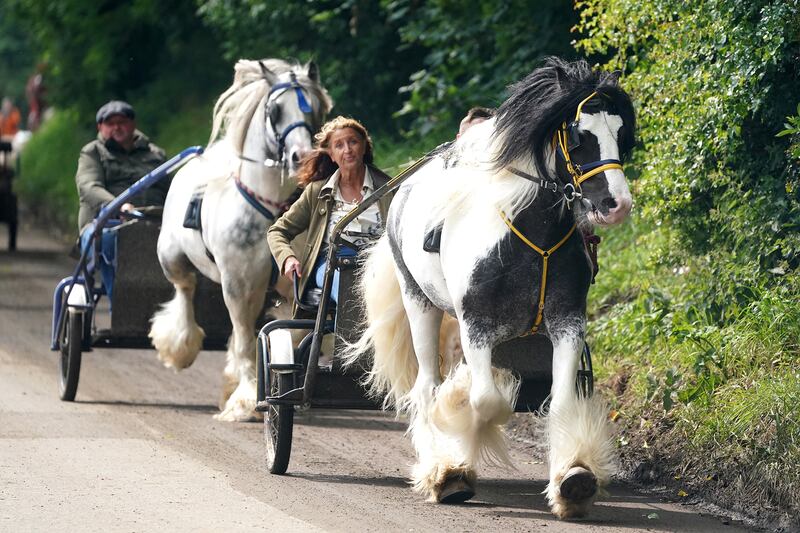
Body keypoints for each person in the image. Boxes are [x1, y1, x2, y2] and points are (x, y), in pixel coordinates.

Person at [267, 116, 393, 315]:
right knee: (348, 289)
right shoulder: (317, 192)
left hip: (380, 264)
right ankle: (355, 343)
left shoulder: (390, 189)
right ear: (332, 155)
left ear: (364, 147)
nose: (348, 149)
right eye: (339, 145)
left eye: (353, 142)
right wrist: (287, 258)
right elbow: (278, 231)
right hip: (333, 263)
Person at [75, 100, 166, 303]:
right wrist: (119, 206)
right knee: (111, 242)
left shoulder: (156, 154)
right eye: (110, 123)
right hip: (105, 225)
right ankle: (124, 312)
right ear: (100, 127)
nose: (116, 127)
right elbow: (89, 187)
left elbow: (171, 190)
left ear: (133, 124)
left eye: (122, 122)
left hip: (155, 223)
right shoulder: (92, 152)